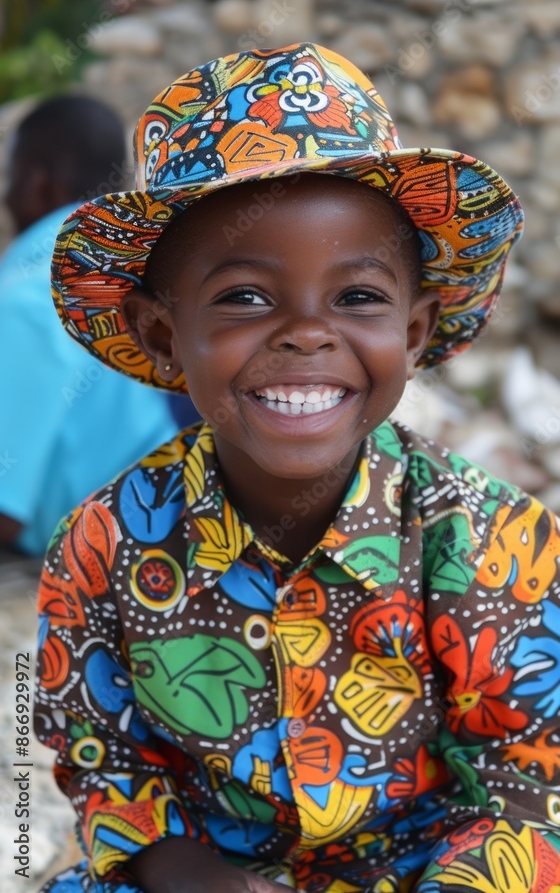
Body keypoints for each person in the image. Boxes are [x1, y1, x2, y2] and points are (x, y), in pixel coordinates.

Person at [33, 44, 560, 893]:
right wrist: (198, 878)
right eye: (245, 296)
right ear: (165, 335)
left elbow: (526, 776)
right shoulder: (102, 547)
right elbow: (102, 760)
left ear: (417, 331)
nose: (307, 333)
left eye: (358, 297)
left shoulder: (490, 539)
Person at [0, 94, 186, 557]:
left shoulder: (28, 297)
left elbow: (4, 509)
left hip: (116, 555)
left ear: (40, 184)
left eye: (12, 177)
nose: (5, 195)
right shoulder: (132, 275)